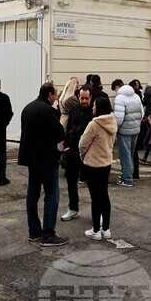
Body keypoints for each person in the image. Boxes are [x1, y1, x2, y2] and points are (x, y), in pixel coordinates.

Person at [18, 82, 68, 246]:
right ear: (49, 95)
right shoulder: (48, 111)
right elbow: (59, 134)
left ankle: (34, 231)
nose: (56, 98)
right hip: (46, 159)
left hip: (31, 159)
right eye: (55, 95)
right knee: (51, 196)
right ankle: (48, 234)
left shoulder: (28, 108)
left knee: (32, 194)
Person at [79, 97, 118, 239]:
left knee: (95, 197)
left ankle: (95, 230)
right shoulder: (112, 121)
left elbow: (83, 144)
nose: (92, 107)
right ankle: (106, 229)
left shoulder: (94, 124)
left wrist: (83, 156)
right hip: (106, 163)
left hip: (93, 164)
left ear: (99, 107)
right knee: (104, 195)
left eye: (94, 105)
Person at [60, 86, 92, 222]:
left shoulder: (94, 112)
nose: (84, 101)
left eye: (86, 98)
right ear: (78, 97)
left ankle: (97, 213)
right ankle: (73, 209)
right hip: (72, 151)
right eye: (82, 98)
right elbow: (69, 129)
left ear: (91, 98)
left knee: (92, 184)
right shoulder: (74, 109)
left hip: (87, 153)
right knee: (71, 182)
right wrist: (66, 146)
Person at [112, 80, 142, 187]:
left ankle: (127, 179)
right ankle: (126, 175)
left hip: (124, 131)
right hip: (135, 130)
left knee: (125, 156)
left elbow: (119, 118)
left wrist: (116, 129)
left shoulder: (120, 98)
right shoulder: (136, 96)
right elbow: (141, 113)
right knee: (130, 154)